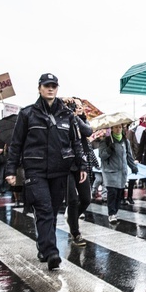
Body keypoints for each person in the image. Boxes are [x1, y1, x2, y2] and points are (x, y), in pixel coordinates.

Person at [5, 73, 86, 271]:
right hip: (35, 170)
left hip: (60, 170)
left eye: (54, 86)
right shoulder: (27, 114)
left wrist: (82, 165)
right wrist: (11, 170)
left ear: (57, 88)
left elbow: (76, 142)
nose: (50, 89)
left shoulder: (67, 114)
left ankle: (43, 245)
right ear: (39, 88)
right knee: (44, 209)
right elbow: (16, 144)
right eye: (47, 85)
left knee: (54, 210)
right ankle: (51, 252)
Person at [62, 97, 93, 246]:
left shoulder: (80, 120)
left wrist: (76, 118)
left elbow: (88, 131)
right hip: (65, 164)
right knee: (73, 199)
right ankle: (75, 232)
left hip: (80, 161)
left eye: (80, 106)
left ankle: (72, 219)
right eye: (76, 106)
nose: (79, 108)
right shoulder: (61, 119)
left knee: (86, 198)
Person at [100, 122, 138, 224]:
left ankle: (115, 211)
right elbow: (102, 156)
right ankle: (111, 213)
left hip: (122, 172)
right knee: (112, 192)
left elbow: (129, 156)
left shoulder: (125, 141)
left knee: (119, 193)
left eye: (120, 127)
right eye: (116, 127)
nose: (118, 129)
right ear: (112, 129)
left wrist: (133, 167)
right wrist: (109, 149)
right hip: (110, 172)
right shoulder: (106, 141)